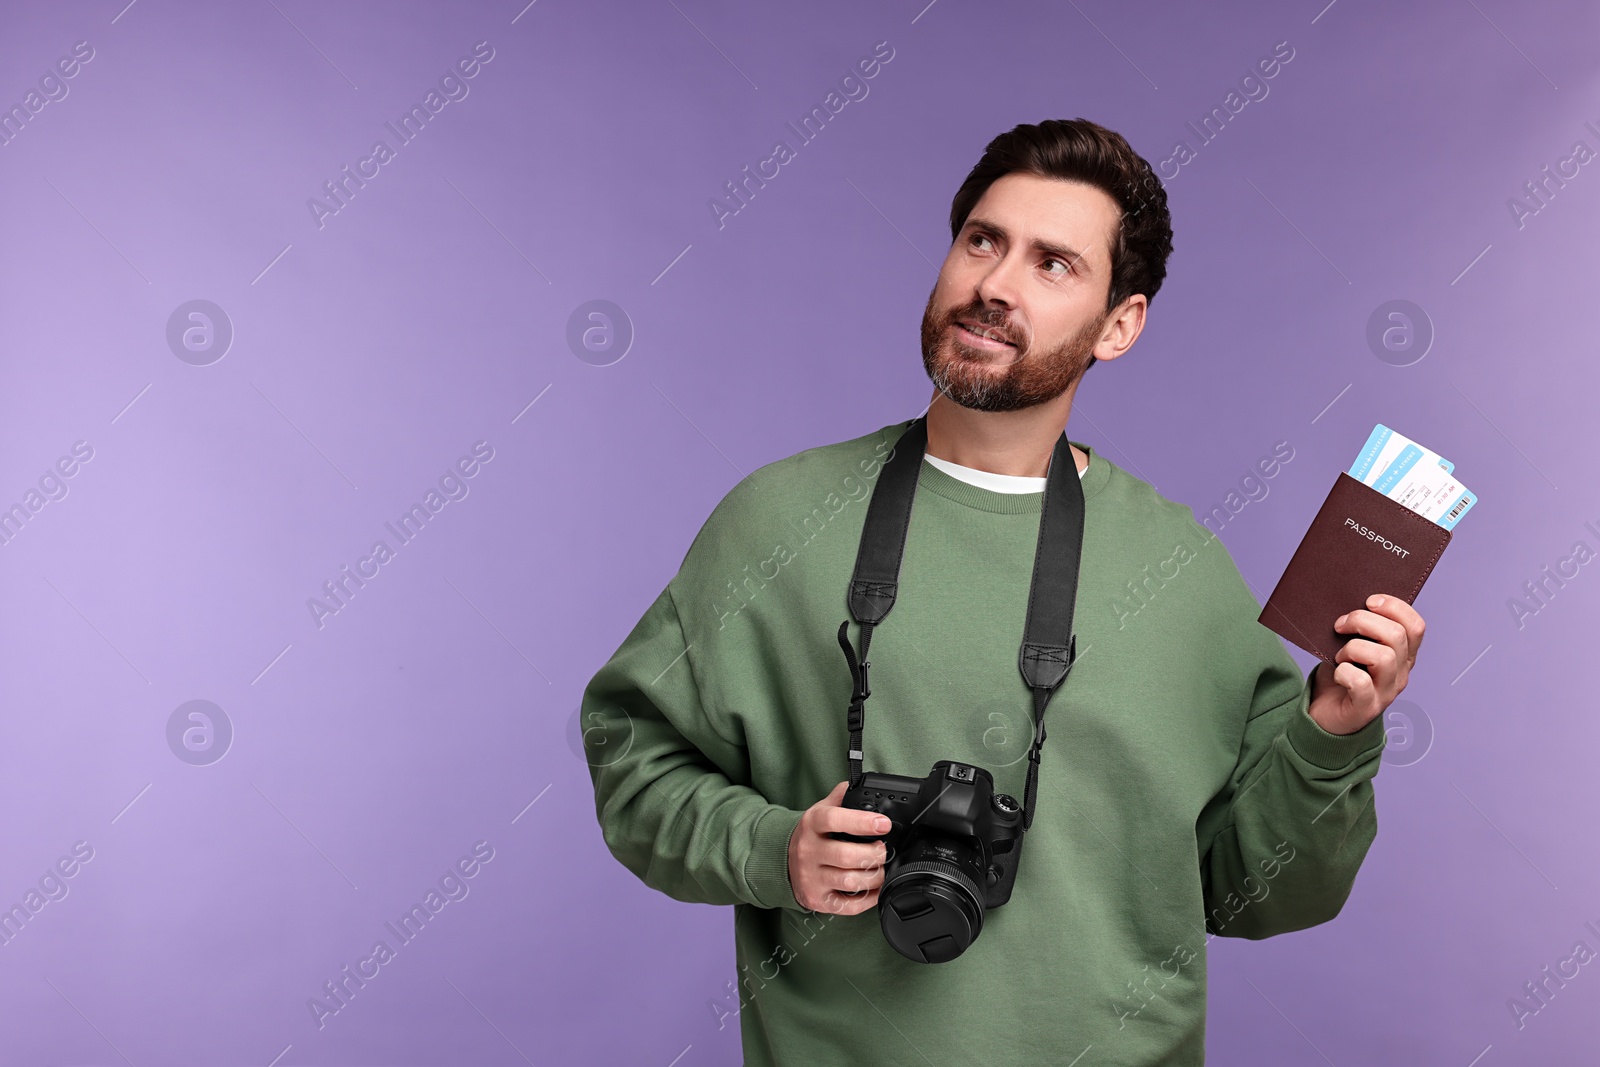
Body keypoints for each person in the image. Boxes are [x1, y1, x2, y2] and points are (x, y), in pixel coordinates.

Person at [580, 118, 1426, 1066]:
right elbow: (633, 760)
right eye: (982, 240)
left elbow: (1262, 892)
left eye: (1054, 263)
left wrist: (1336, 734)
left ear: (1120, 325)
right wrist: (773, 847)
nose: (994, 284)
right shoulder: (777, 521)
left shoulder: (1183, 573)